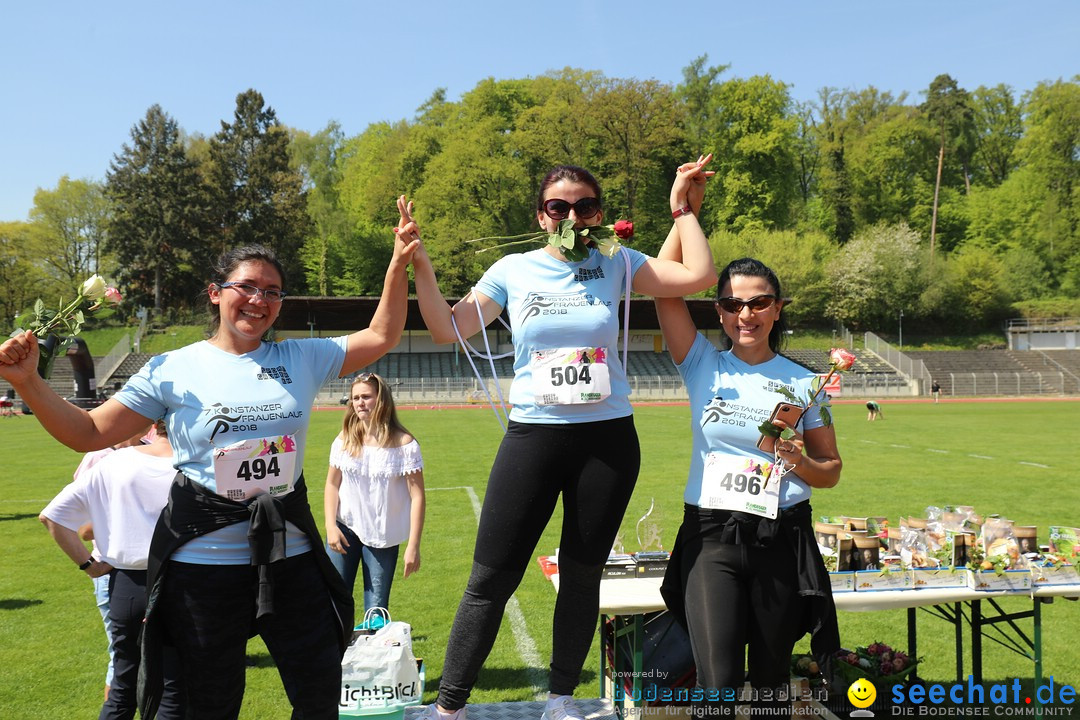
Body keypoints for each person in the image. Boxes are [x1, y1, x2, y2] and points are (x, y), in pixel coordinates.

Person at [0, 232, 418, 719]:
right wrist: (27, 381)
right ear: (216, 292)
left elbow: (383, 335)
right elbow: (90, 432)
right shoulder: (171, 369)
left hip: (290, 557)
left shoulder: (300, 357)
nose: (259, 300)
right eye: (247, 286)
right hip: (203, 566)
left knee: (320, 692)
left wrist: (397, 265)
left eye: (272, 291)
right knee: (211, 704)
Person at [404, 156, 718, 720]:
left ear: (598, 214)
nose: (573, 214)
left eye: (585, 206)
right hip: (534, 440)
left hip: (607, 443)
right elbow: (444, 327)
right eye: (559, 206)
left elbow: (697, 276)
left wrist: (681, 207)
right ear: (542, 215)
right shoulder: (513, 269)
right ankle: (448, 707)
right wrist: (420, 264)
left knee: (581, 576)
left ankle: (562, 698)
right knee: (490, 577)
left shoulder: (615, 260)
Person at [654, 241, 842, 714]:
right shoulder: (702, 364)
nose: (746, 314)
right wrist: (683, 215)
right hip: (711, 537)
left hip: (780, 539)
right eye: (733, 304)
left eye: (759, 302)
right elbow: (660, 287)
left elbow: (831, 470)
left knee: (771, 683)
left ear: (777, 309)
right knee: (716, 683)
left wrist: (798, 460)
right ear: (718, 312)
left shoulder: (806, 384)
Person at [40, 419, 183, 720]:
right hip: (180, 582)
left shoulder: (113, 462)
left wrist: (89, 565)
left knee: (123, 684)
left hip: (126, 585)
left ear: (153, 425)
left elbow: (52, 517)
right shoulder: (197, 464)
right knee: (173, 686)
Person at [325, 372, 425, 617]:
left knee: (376, 610)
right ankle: (338, 654)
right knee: (335, 603)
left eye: (366, 397)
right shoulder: (344, 439)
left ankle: (374, 653)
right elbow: (331, 485)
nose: (360, 402)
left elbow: (418, 497)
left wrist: (413, 546)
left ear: (381, 399)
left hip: (383, 535)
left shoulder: (404, 444)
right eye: (355, 398)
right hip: (345, 529)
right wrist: (330, 526)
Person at [72, 426, 155, 704]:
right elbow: (82, 526)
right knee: (122, 659)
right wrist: (132, 516)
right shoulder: (100, 457)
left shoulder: (154, 449)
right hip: (113, 571)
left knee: (163, 655)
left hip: (156, 570)